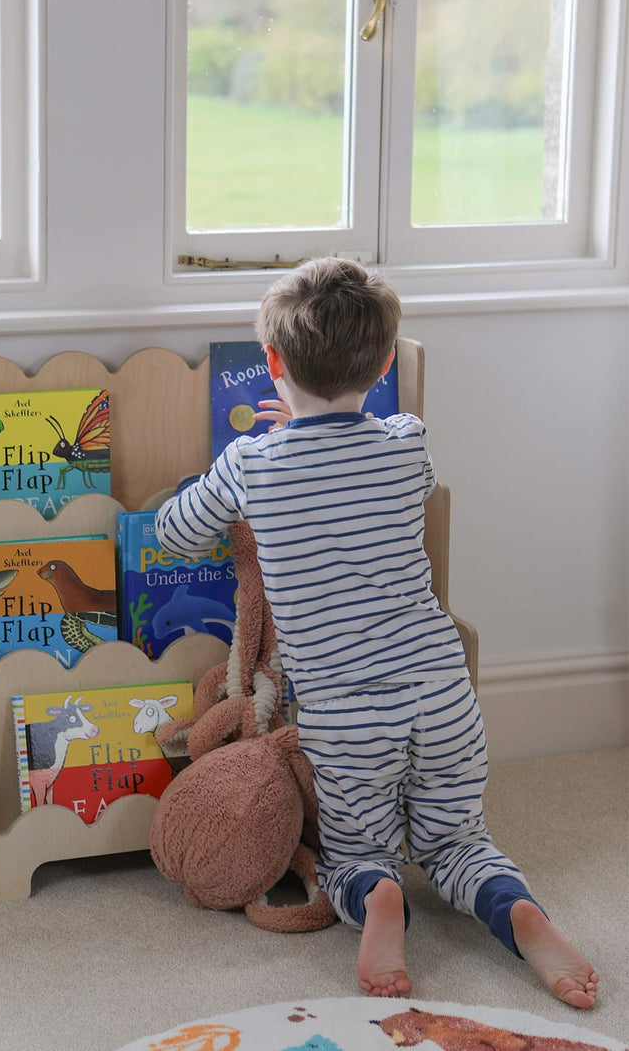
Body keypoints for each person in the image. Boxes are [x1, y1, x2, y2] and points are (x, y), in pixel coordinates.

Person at [154, 257, 598, 1006]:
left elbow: (177, 532)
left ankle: (377, 895)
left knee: (357, 846)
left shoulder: (250, 462)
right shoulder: (404, 441)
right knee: (458, 839)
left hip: (346, 713)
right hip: (443, 691)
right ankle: (516, 910)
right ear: (386, 360)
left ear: (272, 364)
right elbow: (402, 483)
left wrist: (233, 480)